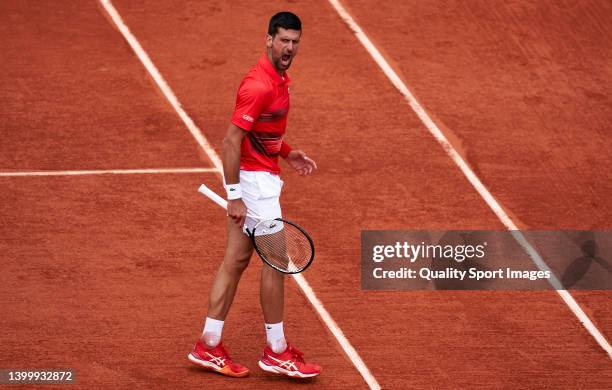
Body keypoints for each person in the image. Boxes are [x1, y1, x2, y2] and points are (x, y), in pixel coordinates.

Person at [188, 12, 321, 379]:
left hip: (260, 176)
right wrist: (234, 196)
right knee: (277, 264)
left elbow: (262, 131)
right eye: (283, 40)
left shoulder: (278, 79)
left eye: (294, 41)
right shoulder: (259, 84)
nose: (289, 48)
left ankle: (208, 344)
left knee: (235, 261)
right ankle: (277, 351)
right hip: (255, 185)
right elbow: (231, 141)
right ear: (268, 39)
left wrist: (287, 151)